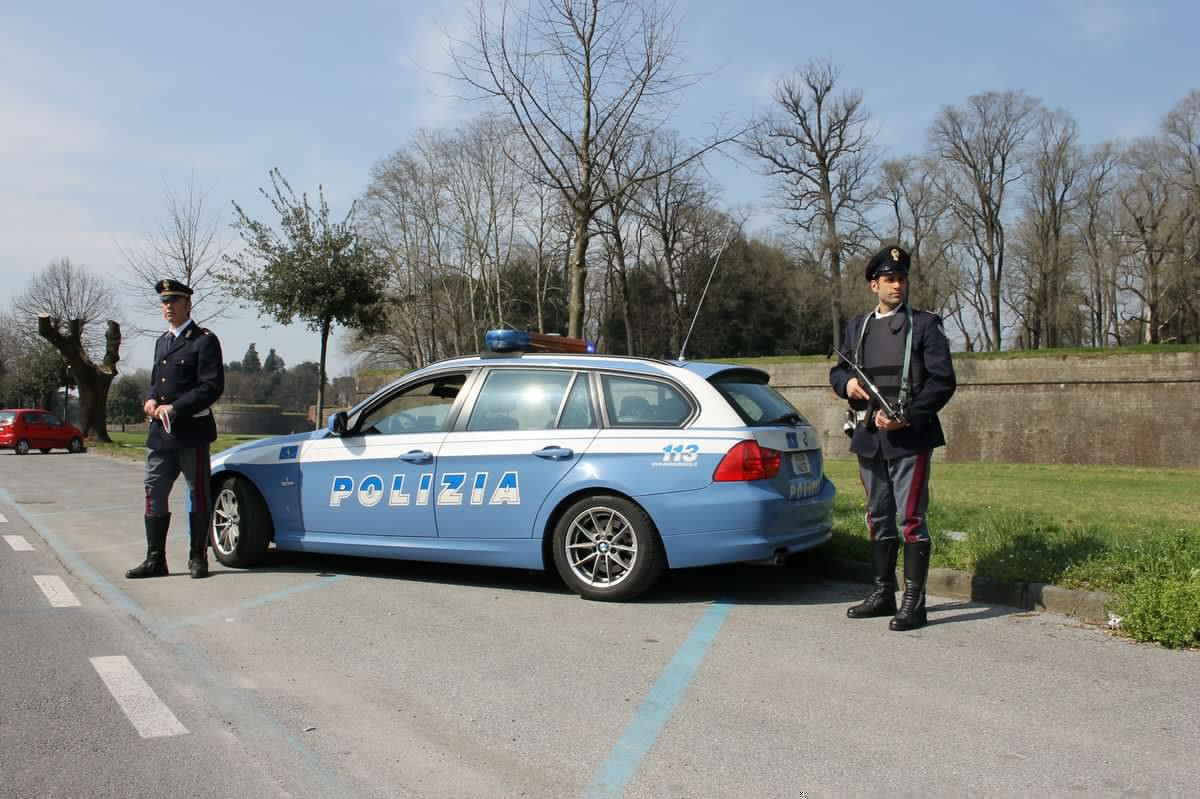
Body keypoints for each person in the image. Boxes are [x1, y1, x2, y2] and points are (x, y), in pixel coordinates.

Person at [829, 246, 956, 630]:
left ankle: (914, 601)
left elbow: (943, 381)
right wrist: (847, 383)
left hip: (909, 438)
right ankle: (883, 592)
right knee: (877, 516)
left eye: (901, 279)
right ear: (874, 285)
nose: (897, 285)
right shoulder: (858, 326)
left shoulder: (926, 325)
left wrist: (908, 417)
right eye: (889, 279)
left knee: (912, 518)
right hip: (869, 436)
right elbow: (838, 372)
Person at [126, 279, 225, 580]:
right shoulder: (161, 342)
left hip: (191, 433)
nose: (168, 307)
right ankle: (155, 559)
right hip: (160, 435)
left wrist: (176, 407)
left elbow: (211, 387)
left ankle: (198, 558)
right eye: (164, 302)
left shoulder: (204, 340)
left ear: (187, 305)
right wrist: (151, 399)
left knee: (199, 494)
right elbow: (158, 382)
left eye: (174, 301)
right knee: (154, 491)